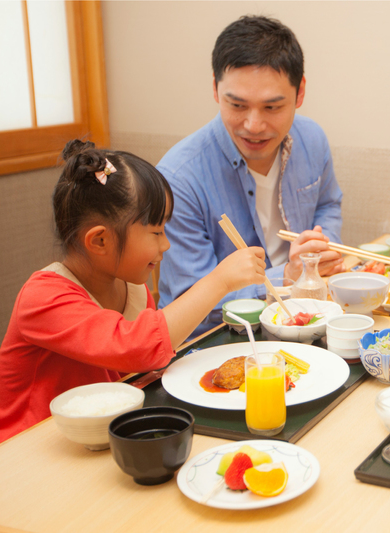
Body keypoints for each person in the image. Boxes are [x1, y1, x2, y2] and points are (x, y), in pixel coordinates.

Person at [0, 140, 266, 450]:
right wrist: (219, 281)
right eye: (156, 232)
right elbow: (136, 346)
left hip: (99, 436)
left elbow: (144, 368)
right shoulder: (43, 298)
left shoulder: (132, 286)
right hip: (27, 450)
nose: (165, 244)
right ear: (100, 241)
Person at [157, 16, 345, 336]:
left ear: (299, 93)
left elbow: (327, 205)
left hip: (302, 316)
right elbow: (190, 301)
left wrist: (317, 256)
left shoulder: (312, 140)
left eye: (272, 107)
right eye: (238, 105)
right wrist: (286, 277)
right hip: (218, 339)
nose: (254, 125)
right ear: (216, 88)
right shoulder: (178, 178)